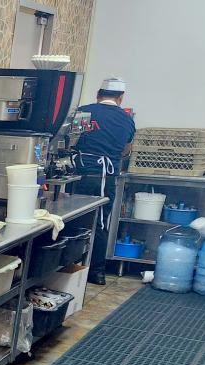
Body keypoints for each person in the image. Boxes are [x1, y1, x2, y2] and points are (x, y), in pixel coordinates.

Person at [74, 77, 136, 285]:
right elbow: (126, 150)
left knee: (71, 217)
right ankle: (97, 272)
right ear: (121, 97)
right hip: (104, 176)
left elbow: (69, 139)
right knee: (100, 222)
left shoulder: (82, 111)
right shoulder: (127, 119)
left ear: (98, 94)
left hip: (76, 172)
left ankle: (68, 266)